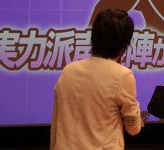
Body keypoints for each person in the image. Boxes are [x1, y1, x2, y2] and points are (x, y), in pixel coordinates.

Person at [50, 9, 143, 149]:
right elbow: (133, 128)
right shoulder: (122, 75)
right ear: (124, 47)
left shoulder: (69, 70)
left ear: (94, 37)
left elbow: (57, 123)